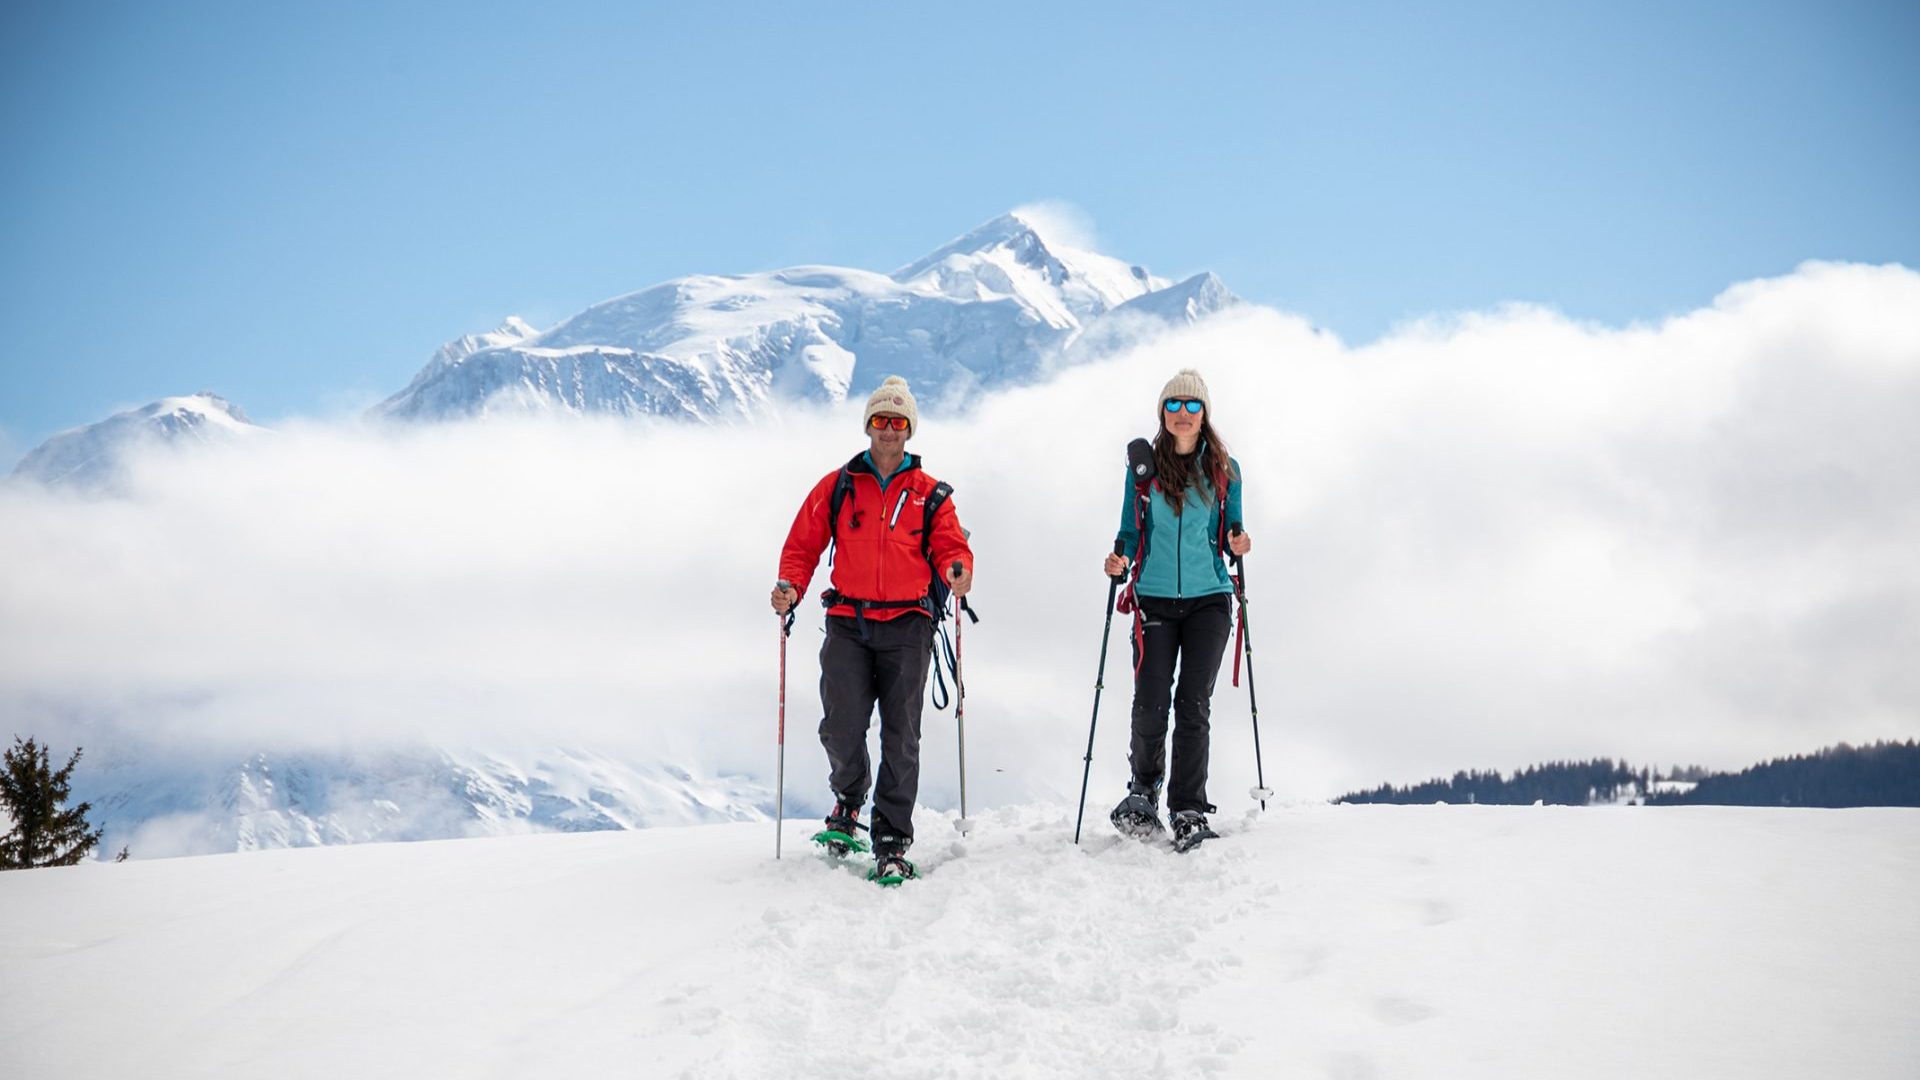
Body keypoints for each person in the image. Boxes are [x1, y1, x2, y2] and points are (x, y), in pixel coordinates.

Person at [772, 375, 974, 882]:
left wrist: (958, 568)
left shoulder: (931, 493)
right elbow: (803, 544)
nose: (889, 430)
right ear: (868, 426)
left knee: (901, 737)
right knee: (840, 727)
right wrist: (790, 586)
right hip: (848, 621)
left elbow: (951, 545)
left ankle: (891, 839)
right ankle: (848, 800)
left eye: (898, 421)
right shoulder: (839, 485)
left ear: (910, 430)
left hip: (908, 623)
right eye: (881, 421)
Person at [1103, 369, 1250, 849]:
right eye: (1174, 405)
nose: (1183, 414)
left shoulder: (1226, 469)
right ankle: (1142, 791)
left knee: (1192, 704)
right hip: (1154, 596)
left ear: (1205, 414)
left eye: (1192, 406)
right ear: (1162, 412)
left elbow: (1232, 530)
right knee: (1149, 701)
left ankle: (1188, 806)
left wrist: (1238, 539)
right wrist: (1120, 556)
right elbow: (1130, 527)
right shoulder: (1142, 469)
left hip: (1209, 599)